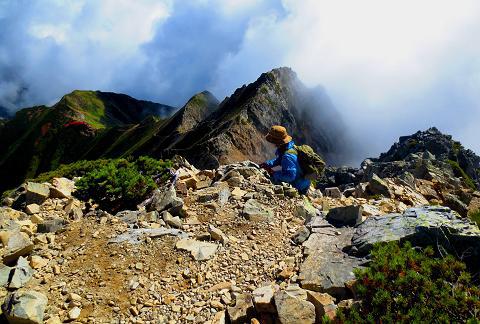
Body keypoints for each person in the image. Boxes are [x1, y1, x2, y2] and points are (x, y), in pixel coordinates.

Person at [260, 125, 310, 194]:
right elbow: (279, 161)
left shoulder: (288, 156)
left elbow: (290, 176)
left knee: (276, 178)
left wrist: (274, 173)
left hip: (299, 185)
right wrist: (267, 164)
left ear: (278, 142)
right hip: (300, 178)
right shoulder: (287, 147)